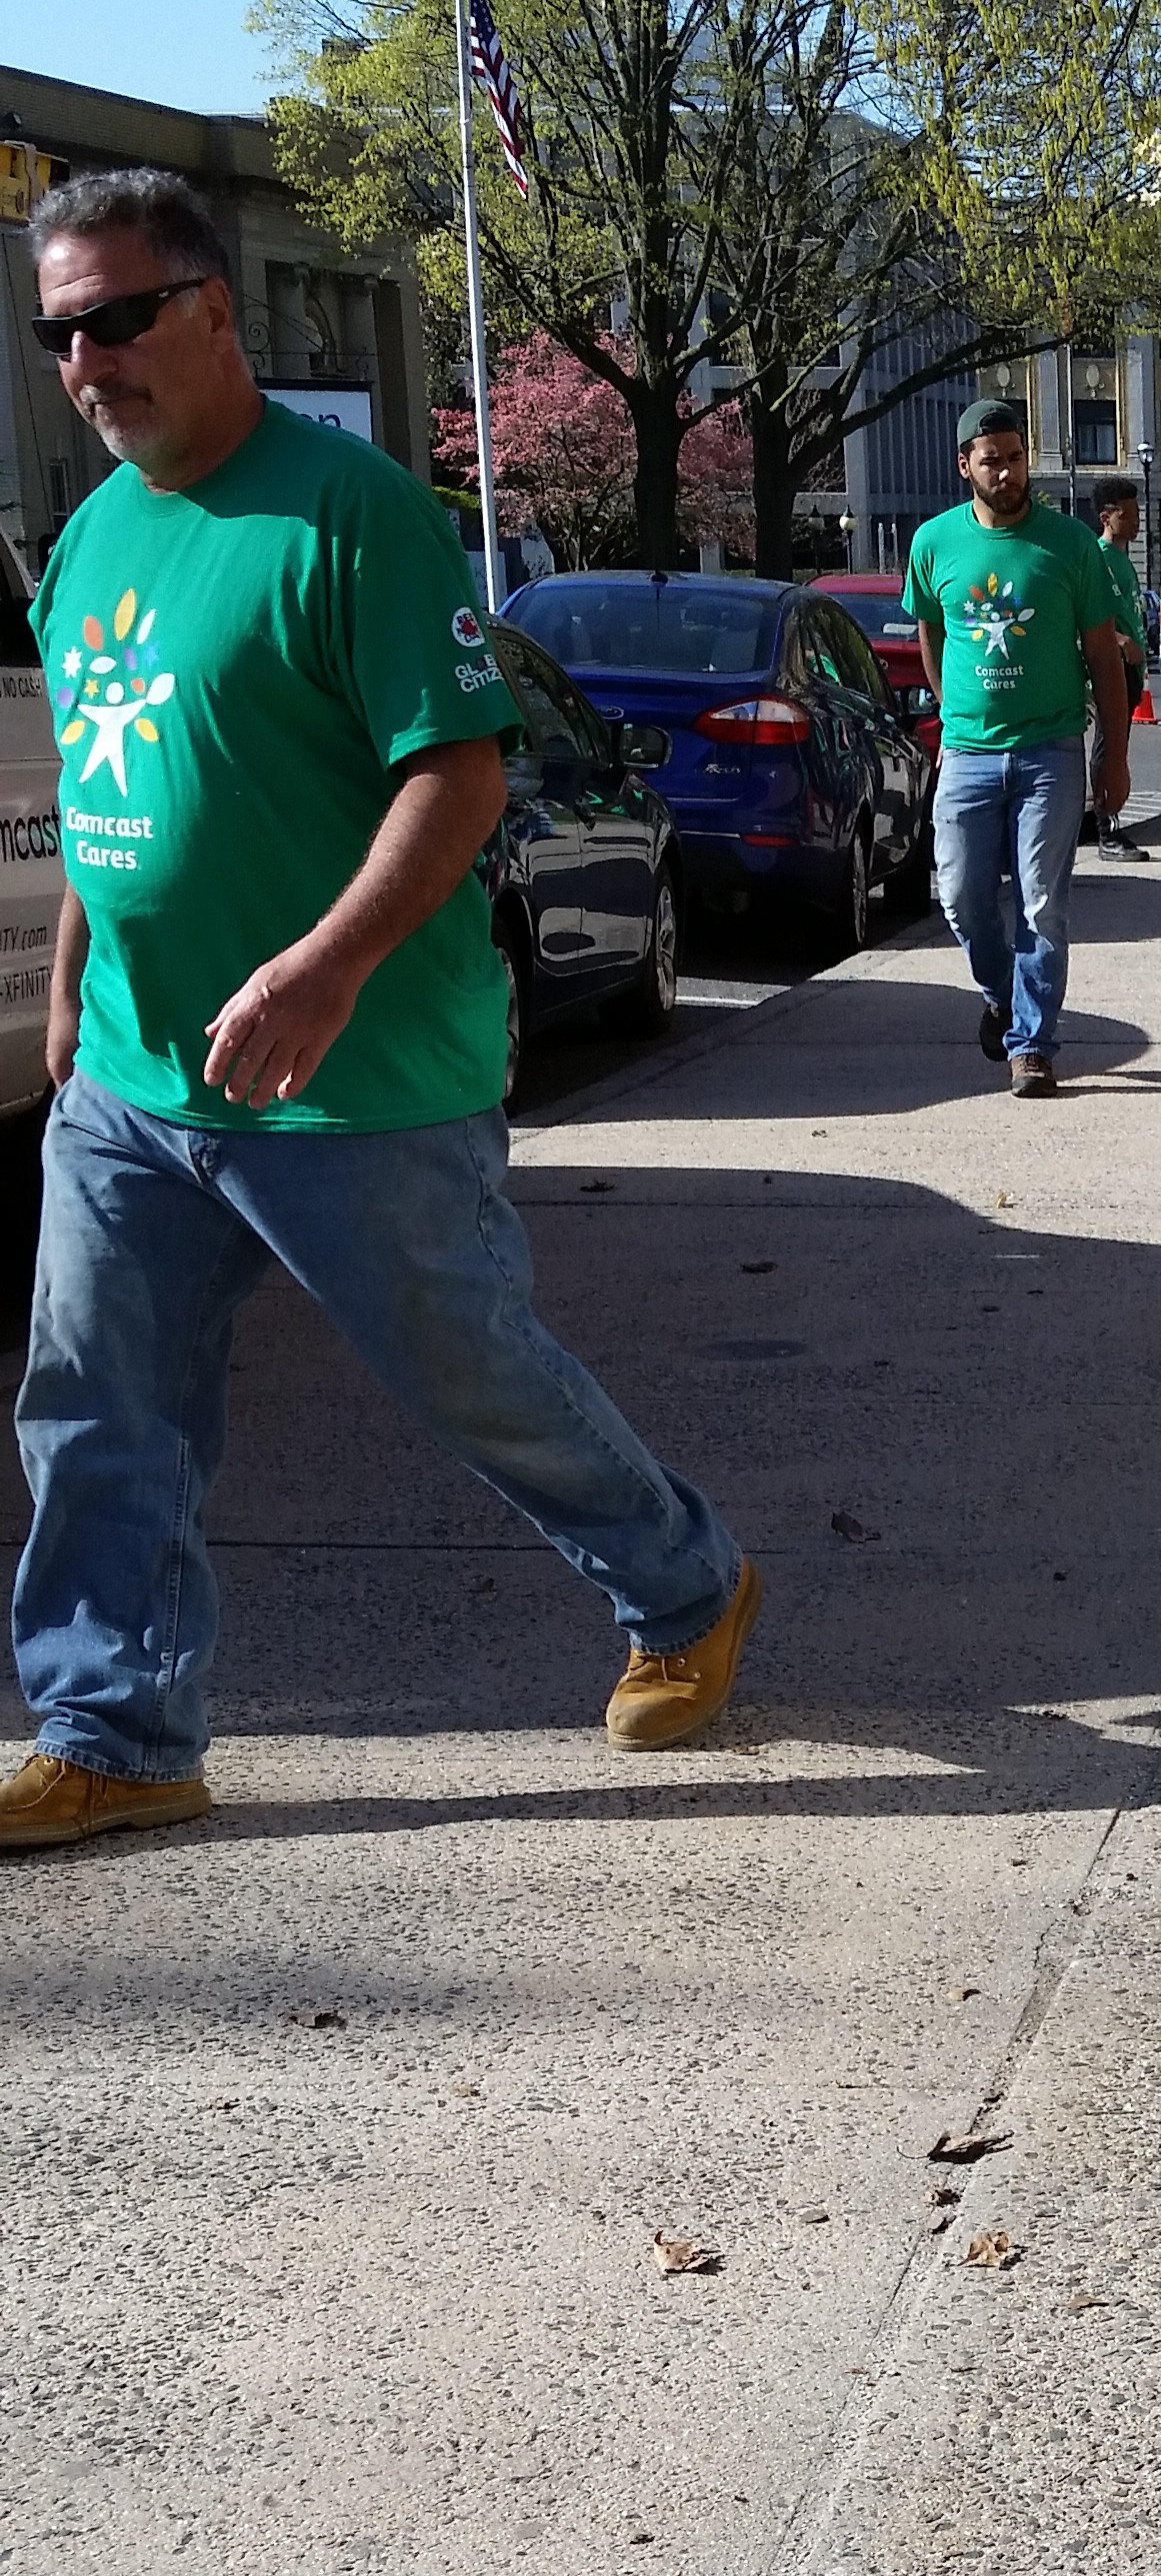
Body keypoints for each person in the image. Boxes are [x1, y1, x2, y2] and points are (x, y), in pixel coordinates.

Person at [6, 167, 754, 1859]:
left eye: (114, 319)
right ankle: (114, 1725)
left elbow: (460, 773)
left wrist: (327, 959)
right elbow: (100, 781)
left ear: (208, 308)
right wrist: (69, 980)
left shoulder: (349, 515)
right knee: (93, 1401)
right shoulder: (94, 537)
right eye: (57, 331)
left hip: (354, 1078)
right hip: (134, 1076)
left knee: (469, 1374)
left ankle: (685, 1582)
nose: (83, 362)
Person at [905, 403, 1132, 1093]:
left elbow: (1104, 656)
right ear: (964, 466)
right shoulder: (934, 543)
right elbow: (931, 636)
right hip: (968, 754)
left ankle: (1031, 1044)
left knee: (1041, 904)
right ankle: (1003, 998)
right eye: (991, 459)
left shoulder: (1070, 547)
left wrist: (1112, 754)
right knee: (960, 897)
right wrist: (953, 712)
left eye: (1014, 455)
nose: (1006, 471)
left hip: (1050, 753)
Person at [1083, 480, 1154, 859]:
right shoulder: (1098, 558)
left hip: (1132, 669)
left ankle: (1108, 821)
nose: (1136, 522)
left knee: (1119, 744)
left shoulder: (1124, 560)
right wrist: (1121, 642)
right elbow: (1089, 615)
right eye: (1127, 515)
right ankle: (1105, 829)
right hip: (1113, 666)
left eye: (1137, 514)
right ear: (1106, 517)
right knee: (1109, 744)